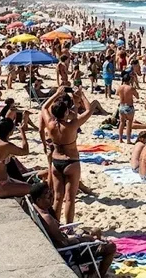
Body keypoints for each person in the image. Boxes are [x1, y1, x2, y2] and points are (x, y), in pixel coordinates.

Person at [29, 182, 117, 276]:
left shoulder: (38, 209)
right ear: (38, 200)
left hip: (67, 243)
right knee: (111, 246)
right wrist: (83, 238)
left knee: (96, 231)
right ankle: (99, 275)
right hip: (71, 251)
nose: (52, 198)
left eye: (51, 194)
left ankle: (92, 272)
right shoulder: (46, 218)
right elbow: (64, 242)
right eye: (48, 196)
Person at [43, 88, 93, 223]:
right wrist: (82, 95)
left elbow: (44, 107)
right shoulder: (72, 125)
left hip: (56, 161)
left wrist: (57, 94)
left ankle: (55, 224)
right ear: (66, 112)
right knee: (70, 198)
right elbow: (89, 110)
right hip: (71, 161)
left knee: (58, 197)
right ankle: (69, 226)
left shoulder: (50, 124)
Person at [0, 118, 32, 198]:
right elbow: (25, 151)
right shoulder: (5, 146)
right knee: (33, 189)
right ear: (10, 132)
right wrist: (22, 132)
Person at [116, 73, 139, 144]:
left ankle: (120, 139)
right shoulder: (130, 88)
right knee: (129, 123)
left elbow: (117, 94)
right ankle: (128, 140)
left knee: (121, 123)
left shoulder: (120, 87)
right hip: (129, 107)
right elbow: (137, 96)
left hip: (121, 106)